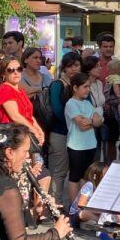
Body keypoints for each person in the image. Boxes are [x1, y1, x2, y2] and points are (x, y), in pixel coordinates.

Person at [45, 52, 82, 202]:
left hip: (78, 134)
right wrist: (75, 123)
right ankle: (55, 206)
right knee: (58, 171)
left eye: (77, 65)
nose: (73, 69)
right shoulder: (57, 84)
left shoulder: (80, 85)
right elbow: (58, 109)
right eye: (70, 66)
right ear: (64, 68)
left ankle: (74, 206)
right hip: (60, 133)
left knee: (76, 172)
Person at [63, 72, 103, 204]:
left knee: (86, 177)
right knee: (75, 176)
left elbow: (99, 122)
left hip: (90, 144)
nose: (88, 89)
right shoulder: (71, 104)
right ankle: (74, 205)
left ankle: (83, 203)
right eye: (85, 87)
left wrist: (91, 121)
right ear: (75, 88)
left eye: (89, 86)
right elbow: (83, 125)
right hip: (76, 146)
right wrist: (93, 121)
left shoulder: (87, 103)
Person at [0, 57, 45, 144]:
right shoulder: (4, 89)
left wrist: (39, 130)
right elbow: (15, 116)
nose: (16, 72)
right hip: (11, 137)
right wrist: (34, 130)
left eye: (19, 69)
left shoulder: (20, 91)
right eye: (10, 70)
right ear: (3, 74)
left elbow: (29, 115)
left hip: (23, 135)